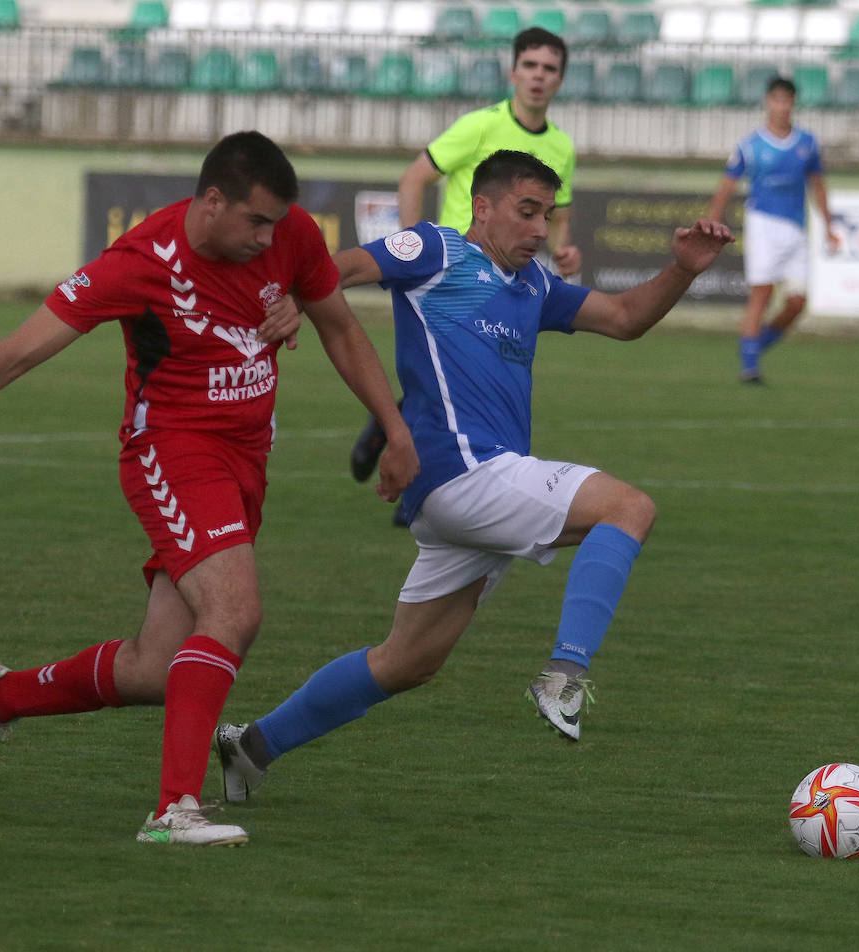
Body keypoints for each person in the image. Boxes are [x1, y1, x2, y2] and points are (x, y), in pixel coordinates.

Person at [0, 131, 417, 847]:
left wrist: (394, 429)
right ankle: (174, 809)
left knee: (158, 667)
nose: (270, 238)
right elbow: (14, 354)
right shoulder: (140, 263)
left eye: (276, 224)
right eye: (255, 222)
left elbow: (339, 328)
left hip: (245, 461)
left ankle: (0, 695)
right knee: (234, 613)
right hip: (172, 452)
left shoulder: (290, 233)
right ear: (212, 201)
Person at [213, 151, 732, 806]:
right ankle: (564, 675)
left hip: (472, 494)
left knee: (408, 661)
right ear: (481, 208)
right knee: (628, 508)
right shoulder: (435, 251)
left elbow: (625, 318)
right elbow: (340, 269)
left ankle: (253, 745)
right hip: (464, 472)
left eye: (547, 213)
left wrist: (683, 269)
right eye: (526, 211)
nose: (541, 228)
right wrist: (291, 297)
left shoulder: (533, 287)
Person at [352, 27, 580, 511]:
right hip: (454, 278)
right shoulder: (479, 126)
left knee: (460, 390)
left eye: (550, 69)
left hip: (508, 281)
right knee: (447, 386)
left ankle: (403, 448)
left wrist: (564, 249)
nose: (539, 77)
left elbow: (558, 212)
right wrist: (412, 250)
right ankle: (421, 473)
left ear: (561, 80)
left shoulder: (562, 145)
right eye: (531, 66)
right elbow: (416, 175)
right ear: (513, 71)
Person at [707, 76, 838, 384]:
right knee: (762, 294)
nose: (781, 107)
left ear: (793, 103)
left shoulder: (806, 143)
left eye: (786, 100)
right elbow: (727, 185)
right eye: (776, 100)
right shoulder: (750, 145)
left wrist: (830, 225)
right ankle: (749, 366)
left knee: (797, 303)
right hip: (763, 224)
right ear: (768, 102)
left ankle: (754, 345)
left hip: (796, 228)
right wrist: (713, 220)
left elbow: (818, 185)